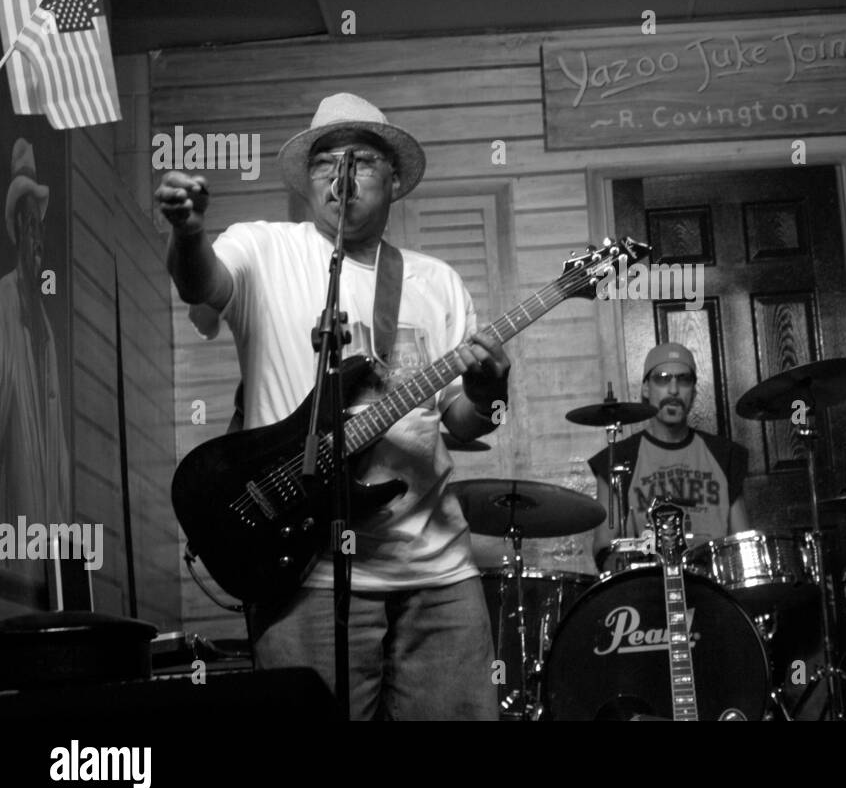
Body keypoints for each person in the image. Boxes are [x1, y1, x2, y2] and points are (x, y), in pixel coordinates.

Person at [155, 93, 510, 720]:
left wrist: (486, 394)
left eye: (362, 160)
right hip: (305, 568)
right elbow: (200, 282)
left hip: (437, 572)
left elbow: (455, 422)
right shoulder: (264, 249)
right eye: (326, 162)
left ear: (395, 180)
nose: (341, 174)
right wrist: (188, 233)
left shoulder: (438, 282)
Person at [588, 342, 749, 572]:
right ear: (646, 389)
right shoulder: (618, 459)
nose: (673, 390)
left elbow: (742, 543)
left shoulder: (724, 454)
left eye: (683, 380)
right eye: (662, 379)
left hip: (713, 589)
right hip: (649, 588)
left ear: (693, 391)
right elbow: (604, 548)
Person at [0, 138, 71, 539]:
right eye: (29, 225)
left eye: (39, 225)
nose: (37, 237)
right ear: (17, 233)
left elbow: (57, 440)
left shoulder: (43, 324)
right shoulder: (3, 304)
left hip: (46, 520)